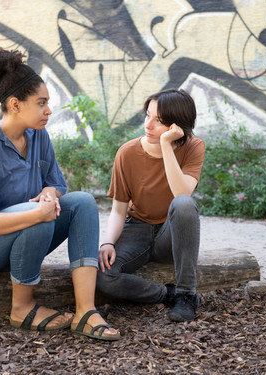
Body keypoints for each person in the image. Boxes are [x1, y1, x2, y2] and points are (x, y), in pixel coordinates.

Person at [0, 48, 119, 341]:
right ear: (15, 105)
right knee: (40, 217)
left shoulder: (38, 135)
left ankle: (86, 310)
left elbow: (56, 185)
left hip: (15, 240)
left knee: (83, 203)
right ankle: (22, 307)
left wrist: (49, 193)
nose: (49, 110)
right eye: (42, 103)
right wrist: (37, 212)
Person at [96, 88, 205, 322]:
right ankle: (168, 294)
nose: (148, 125)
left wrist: (166, 145)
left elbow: (181, 193)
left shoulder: (193, 147)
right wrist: (107, 242)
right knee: (104, 276)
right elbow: (118, 209)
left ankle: (187, 296)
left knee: (185, 204)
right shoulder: (127, 153)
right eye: (148, 116)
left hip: (171, 234)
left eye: (159, 121)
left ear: (178, 126)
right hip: (137, 228)